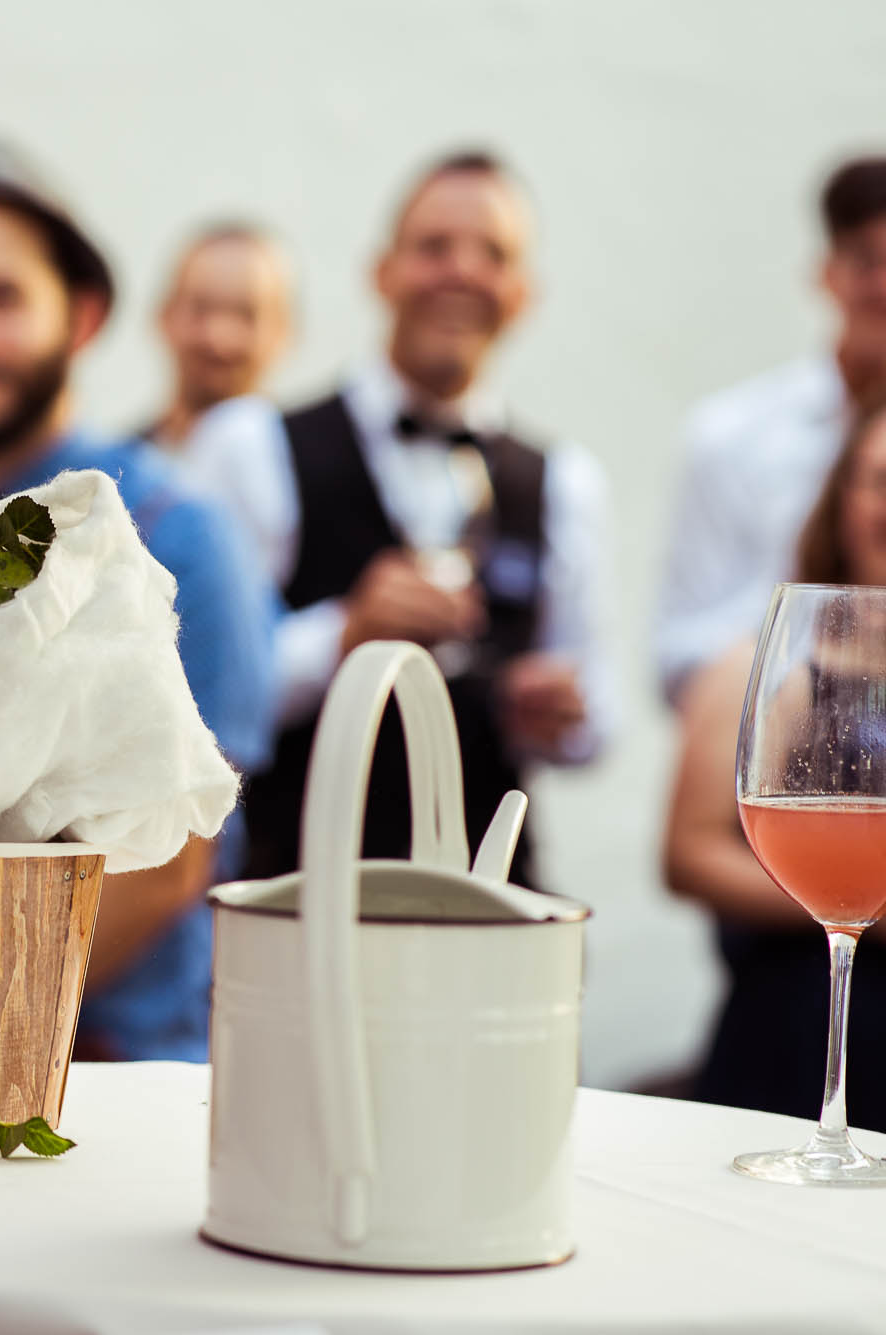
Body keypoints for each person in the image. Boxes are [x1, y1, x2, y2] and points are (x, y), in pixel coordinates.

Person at [0, 147, 278, 1062]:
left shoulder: (181, 538)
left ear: (82, 316)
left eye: (0, 296)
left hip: (119, 1082)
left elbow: (171, 861)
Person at [191, 150, 613, 888]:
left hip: (494, 902)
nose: (461, 271)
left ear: (522, 292)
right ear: (381, 271)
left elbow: (597, 724)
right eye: (434, 247)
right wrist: (343, 635)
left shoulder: (565, 481)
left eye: (493, 254)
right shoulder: (254, 446)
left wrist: (552, 710)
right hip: (297, 895)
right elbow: (196, 694)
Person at [664, 397, 886, 1126]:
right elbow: (689, 852)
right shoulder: (769, 660)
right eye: (879, 480)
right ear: (841, 496)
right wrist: (852, 909)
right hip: (789, 1020)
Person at [656, 157, 886, 706]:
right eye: (866, 260)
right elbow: (677, 655)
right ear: (828, 274)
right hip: (771, 733)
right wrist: (817, 648)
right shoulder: (731, 436)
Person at [143, 221, 293, 451]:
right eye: (201, 309)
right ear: (164, 316)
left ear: (284, 331)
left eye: (245, 314)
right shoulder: (113, 475)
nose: (218, 337)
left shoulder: (313, 475)